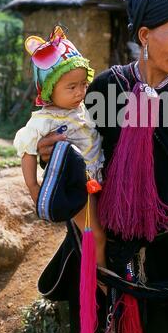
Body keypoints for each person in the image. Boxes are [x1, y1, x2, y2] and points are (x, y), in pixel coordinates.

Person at [37, 0, 168, 333]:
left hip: (165, 257)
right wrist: (51, 154)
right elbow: (81, 160)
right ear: (144, 35)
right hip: (101, 252)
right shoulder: (107, 90)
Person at [13, 25, 106, 269]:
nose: (80, 93)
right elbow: (28, 151)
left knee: (102, 228)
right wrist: (35, 188)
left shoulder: (78, 109)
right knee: (95, 235)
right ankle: (103, 283)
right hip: (75, 185)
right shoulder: (44, 121)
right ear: (49, 89)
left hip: (95, 178)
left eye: (83, 85)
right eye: (71, 87)